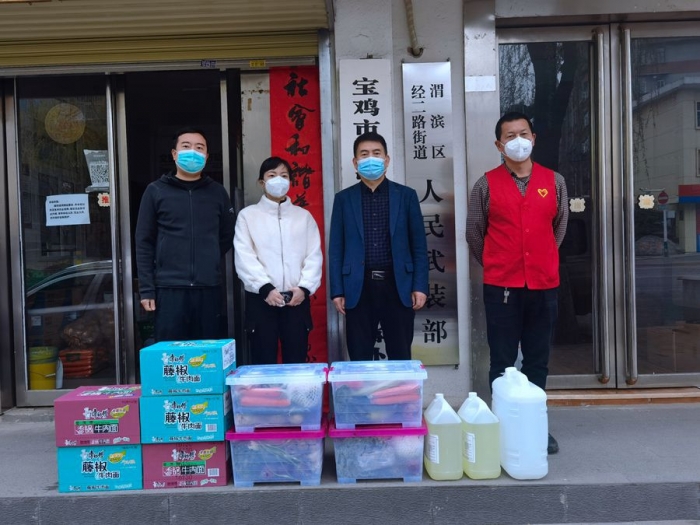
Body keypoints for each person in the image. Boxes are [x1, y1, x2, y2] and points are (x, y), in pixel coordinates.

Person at [466, 111, 569, 454]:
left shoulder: (554, 181)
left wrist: (539, 257)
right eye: (510, 136)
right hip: (502, 287)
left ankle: (536, 426)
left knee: (538, 360)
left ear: (533, 138)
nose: (518, 141)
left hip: (543, 285)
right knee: (502, 361)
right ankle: (503, 427)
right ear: (499, 145)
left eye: (523, 133)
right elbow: (474, 233)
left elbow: (559, 227)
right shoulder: (485, 184)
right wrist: (500, 262)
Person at [329, 131, 429, 361]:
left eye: (376, 153)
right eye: (364, 154)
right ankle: (361, 388)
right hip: (358, 286)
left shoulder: (406, 196)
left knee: (400, 355)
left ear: (387, 159)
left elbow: (419, 247)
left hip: (398, 285)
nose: (371, 158)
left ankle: (399, 387)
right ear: (355, 162)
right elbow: (336, 248)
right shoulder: (344, 199)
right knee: (359, 356)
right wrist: (338, 290)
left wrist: (420, 286)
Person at [135, 127, 235, 342]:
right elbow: (144, 242)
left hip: (208, 288)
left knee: (206, 353)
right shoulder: (156, 191)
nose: (193, 152)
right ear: (174, 154)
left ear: (206, 156)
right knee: (171, 353)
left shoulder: (217, 192)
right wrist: (147, 290)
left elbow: (227, 234)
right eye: (186, 146)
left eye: (199, 148)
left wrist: (207, 254)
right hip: (169, 289)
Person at [233, 156, 323, 364]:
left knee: (296, 362)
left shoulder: (303, 217)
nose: (278, 180)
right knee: (263, 361)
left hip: (296, 300)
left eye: (284, 175)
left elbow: (313, 255)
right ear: (261, 182)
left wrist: (304, 288)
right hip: (261, 300)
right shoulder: (248, 216)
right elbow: (244, 256)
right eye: (272, 175)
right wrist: (265, 288)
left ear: (290, 181)